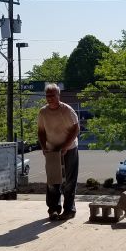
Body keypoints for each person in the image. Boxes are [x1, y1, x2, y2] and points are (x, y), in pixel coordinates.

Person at [37, 83, 80, 221]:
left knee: (69, 181)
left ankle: (69, 210)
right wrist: (44, 147)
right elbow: (41, 131)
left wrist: (66, 146)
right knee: (52, 181)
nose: (49, 98)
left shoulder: (67, 110)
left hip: (69, 149)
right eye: (47, 95)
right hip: (52, 151)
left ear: (58, 95)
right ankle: (54, 209)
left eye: (52, 95)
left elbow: (76, 129)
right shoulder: (43, 112)